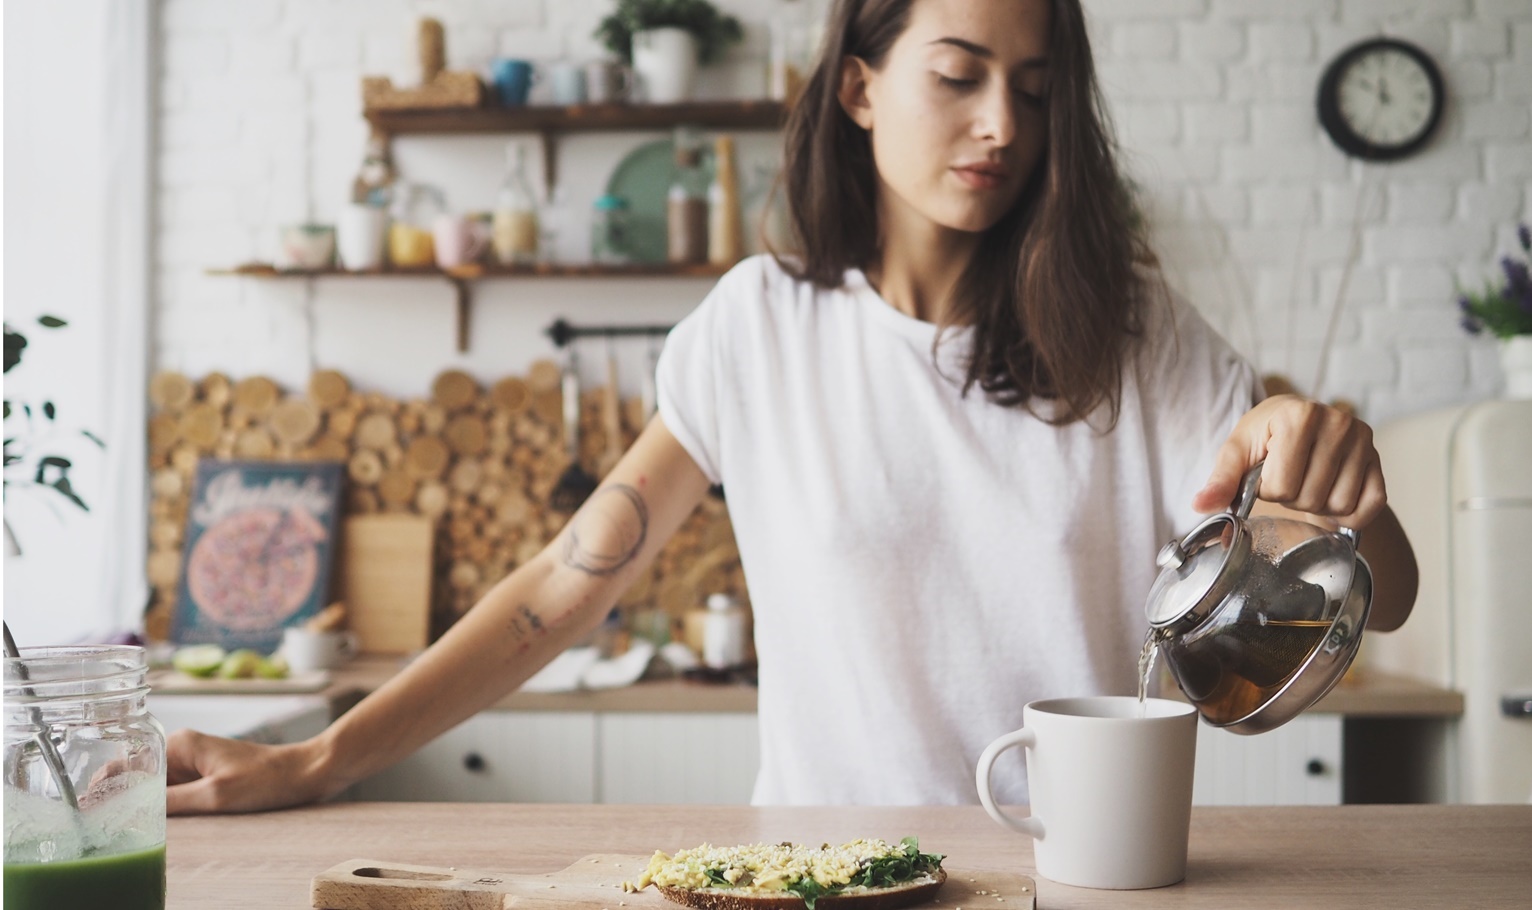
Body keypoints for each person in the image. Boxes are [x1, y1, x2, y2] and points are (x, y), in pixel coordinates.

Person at [167, 0, 1417, 812]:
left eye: (1036, 91)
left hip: (1078, 883)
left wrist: (1339, 487)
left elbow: (1383, 595)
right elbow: (561, 591)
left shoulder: (1141, 338)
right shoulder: (757, 328)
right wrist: (315, 760)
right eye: (959, 74)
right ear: (861, 87)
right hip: (825, 892)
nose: (1000, 125)